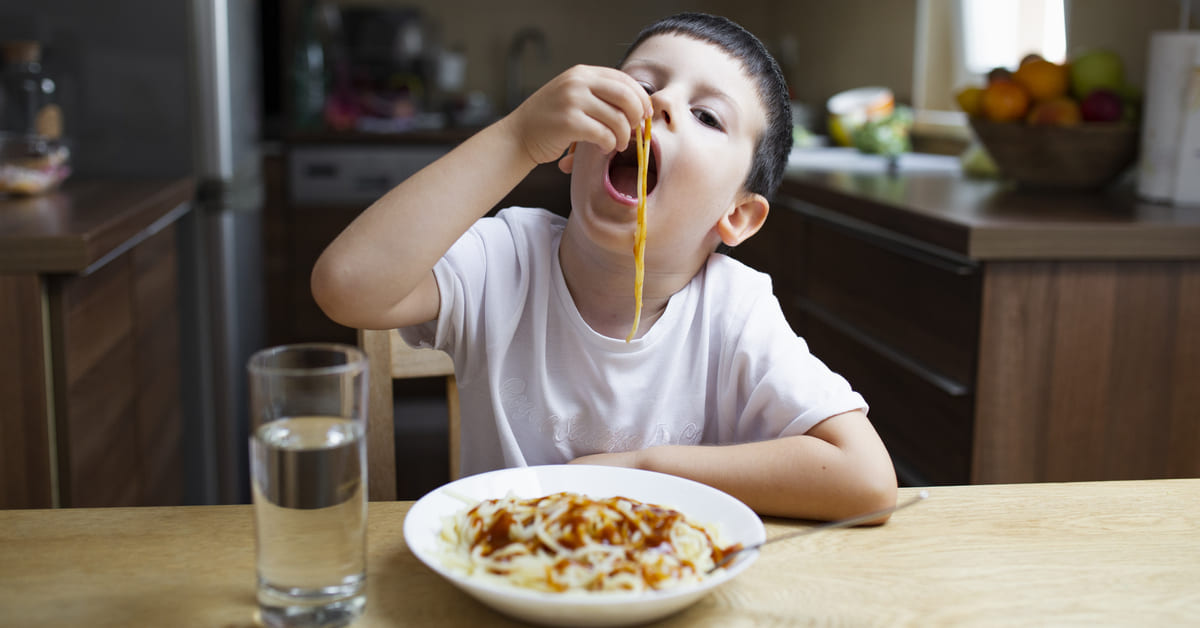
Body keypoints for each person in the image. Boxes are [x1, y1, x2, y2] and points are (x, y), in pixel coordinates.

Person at [312, 13, 897, 521]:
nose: (661, 103)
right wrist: (518, 136)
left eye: (707, 116)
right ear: (572, 145)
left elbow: (866, 480)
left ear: (738, 216)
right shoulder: (505, 258)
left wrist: (642, 467)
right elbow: (345, 286)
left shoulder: (734, 310)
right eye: (639, 86)